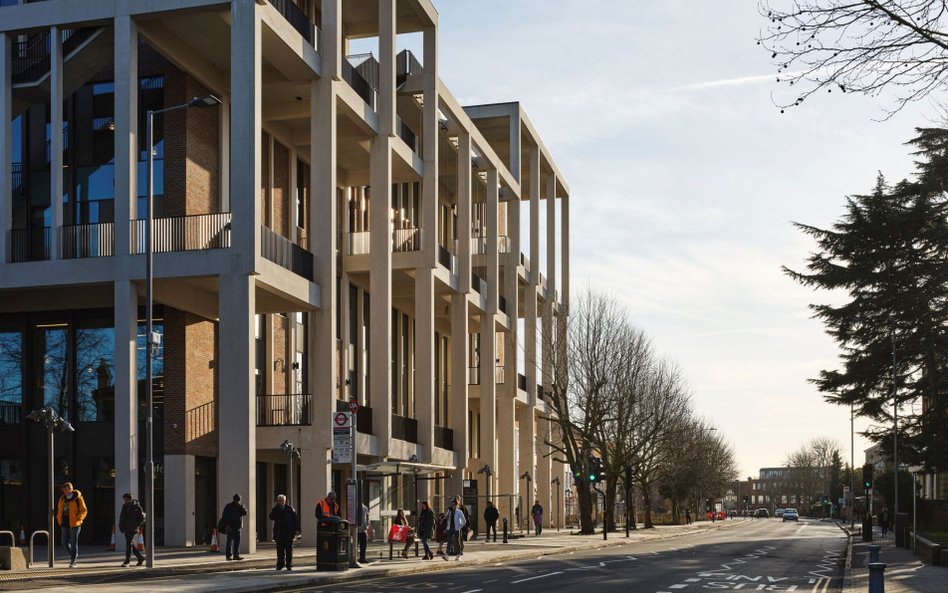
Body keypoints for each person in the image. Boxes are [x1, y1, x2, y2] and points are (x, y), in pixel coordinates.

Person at [56, 482, 88, 567]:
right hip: (64, 523)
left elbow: (84, 510)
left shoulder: (78, 498)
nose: (65, 492)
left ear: (71, 489)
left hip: (75, 523)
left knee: (74, 542)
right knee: (64, 542)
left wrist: (78, 518)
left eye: (66, 490)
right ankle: (73, 554)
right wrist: (59, 518)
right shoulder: (62, 498)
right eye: (63, 490)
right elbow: (59, 509)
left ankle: (73, 560)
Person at [269, 494, 300, 571]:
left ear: (285, 501)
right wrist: (274, 508)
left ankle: (289, 565)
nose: (280, 502)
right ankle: (280, 565)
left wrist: (297, 530)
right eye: (279, 500)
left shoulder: (289, 508)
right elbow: (271, 517)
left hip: (289, 532)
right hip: (279, 532)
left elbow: (295, 519)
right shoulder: (275, 509)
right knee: (280, 550)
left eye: (282, 500)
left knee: (289, 550)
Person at [118, 493, 145, 567]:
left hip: (133, 528)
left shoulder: (136, 507)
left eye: (126, 500)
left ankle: (127, 561)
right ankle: (140, 557)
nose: (124, 501)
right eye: (124, 500)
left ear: (130, 499)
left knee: (128, 544)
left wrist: (138, 526)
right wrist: (121, 526)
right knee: (130, 544)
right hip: (126, 528)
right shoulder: (124, 506)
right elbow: (122, 517)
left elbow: (142, 518)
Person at [221, 493, 248, 561]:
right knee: (229, 541)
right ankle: (228, 556)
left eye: (239, 500)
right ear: (234, 500)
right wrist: (227, 525)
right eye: (237, 500)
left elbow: (245, 513)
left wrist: (241, 506)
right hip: (230, 526)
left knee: (237, 541)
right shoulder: (228, 506)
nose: (238, 502)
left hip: (238, 527)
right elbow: (224, 516)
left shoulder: (241, 506)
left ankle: (236, 555)